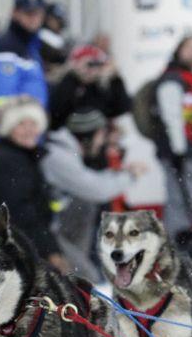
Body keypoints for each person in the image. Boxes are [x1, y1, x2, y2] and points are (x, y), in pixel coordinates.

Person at [41, 108, 146, 280]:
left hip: (52, 226)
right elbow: (96, 189)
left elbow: (89, 181)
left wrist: (120, 174)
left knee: (85, 204)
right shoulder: (57, 156)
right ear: (90, 134)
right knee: (87, 279)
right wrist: (130, 176)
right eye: (101, 136)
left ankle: (75, 265)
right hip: (45, 230)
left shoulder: (64, 150)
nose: (102, 143)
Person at [0, 95, 66, 271]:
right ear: (8, 128)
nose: (29, 130)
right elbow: (20, 213)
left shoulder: (26, 157)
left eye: (33, 124)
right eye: (21, 124)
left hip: (28, 240)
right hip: (12, 248)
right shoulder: (8, 161)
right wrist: (51, 251)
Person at [0, 0, 48, 147]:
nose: (33, 18)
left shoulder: (29, 46)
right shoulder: (6, 46)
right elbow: (0, 100)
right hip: (9, 137)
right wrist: (15, 133)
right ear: (15, 13)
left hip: (25, 134)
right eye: (28, 13)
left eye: (38, 14)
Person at [155, 34, 192, 245]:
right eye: (188, 48)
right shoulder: (173, 78)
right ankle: (176, 246)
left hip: (189, 147)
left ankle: (183, 243)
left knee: (188, 198)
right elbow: (171, 115)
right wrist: (178, 149)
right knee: (179, 199)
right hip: (177, 150)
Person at [49, 43, 131, 130]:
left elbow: (123, 107)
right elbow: (57, 111)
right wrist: (73, 76)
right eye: (90, 64)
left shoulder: (98, 89)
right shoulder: (65, 83)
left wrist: (115, 78)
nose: (92, 69)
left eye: (96, 64)